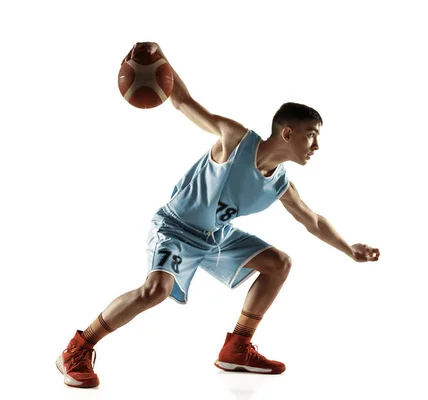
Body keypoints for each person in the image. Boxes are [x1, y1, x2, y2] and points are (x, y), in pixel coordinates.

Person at [55, 42, 380, 388]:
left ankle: (237, 347)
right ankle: (77, 348)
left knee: (279, 263)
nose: (316, 146)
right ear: (288, 133)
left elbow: (312, 220)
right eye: (312, 135)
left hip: (215, 237)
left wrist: (349, 249)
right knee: (155, 290)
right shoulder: (235, 140)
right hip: (175, 229)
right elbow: (182, 102)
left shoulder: (281, 183)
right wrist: (157, 59)